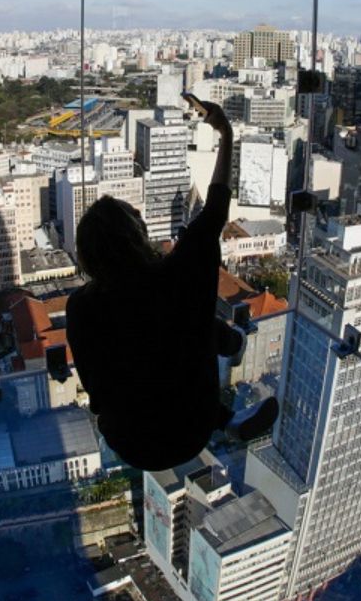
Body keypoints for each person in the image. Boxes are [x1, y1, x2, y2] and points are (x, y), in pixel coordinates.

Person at [66, 100, 279, 471]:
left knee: (161, 328)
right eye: (137, 218)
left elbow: (97, 384)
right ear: (136, 235)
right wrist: (225, 134)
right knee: (184, 319)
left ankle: (228, 397)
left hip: (130, 440)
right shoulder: (175, 275)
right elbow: (215, 208)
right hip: (191, 427)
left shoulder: (81, 308)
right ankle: (231, 369)